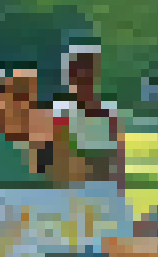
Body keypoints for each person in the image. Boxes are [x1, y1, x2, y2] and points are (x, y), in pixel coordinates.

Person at [53, 45, 125, 184]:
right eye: (76, 72)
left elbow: (118, 157)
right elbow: (57, 157)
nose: (82, 79)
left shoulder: (108, 111)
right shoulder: (60, 111)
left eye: (86, 72)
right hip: (69, 186)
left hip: (104, 185)